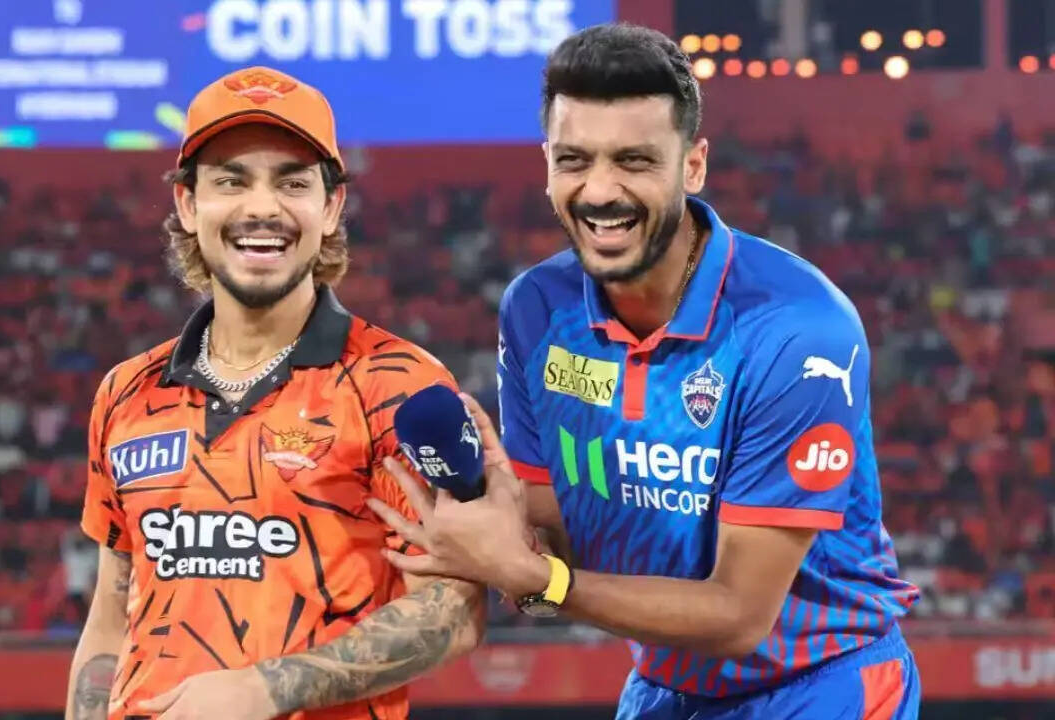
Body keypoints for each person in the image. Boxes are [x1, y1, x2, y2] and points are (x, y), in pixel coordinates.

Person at [368, 23, 922, 719]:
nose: (601, 190)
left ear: (693, 166)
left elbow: (739, 616)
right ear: (546, 164)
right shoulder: (536, 309)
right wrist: (490, 529)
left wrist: (537, 578)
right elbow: (552, 536)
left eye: (634, 161)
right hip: (663, 687)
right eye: (574, 160)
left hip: (820, 685)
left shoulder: (797, 330)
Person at [66, 66, 483, 720]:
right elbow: (110, 617)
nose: (262, 208)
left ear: (331, 207)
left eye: (292, 183)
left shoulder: (397, 384)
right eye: (231, 181)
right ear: (187, 204)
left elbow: (452, 610)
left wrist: (264, 689)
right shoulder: (126, 393)